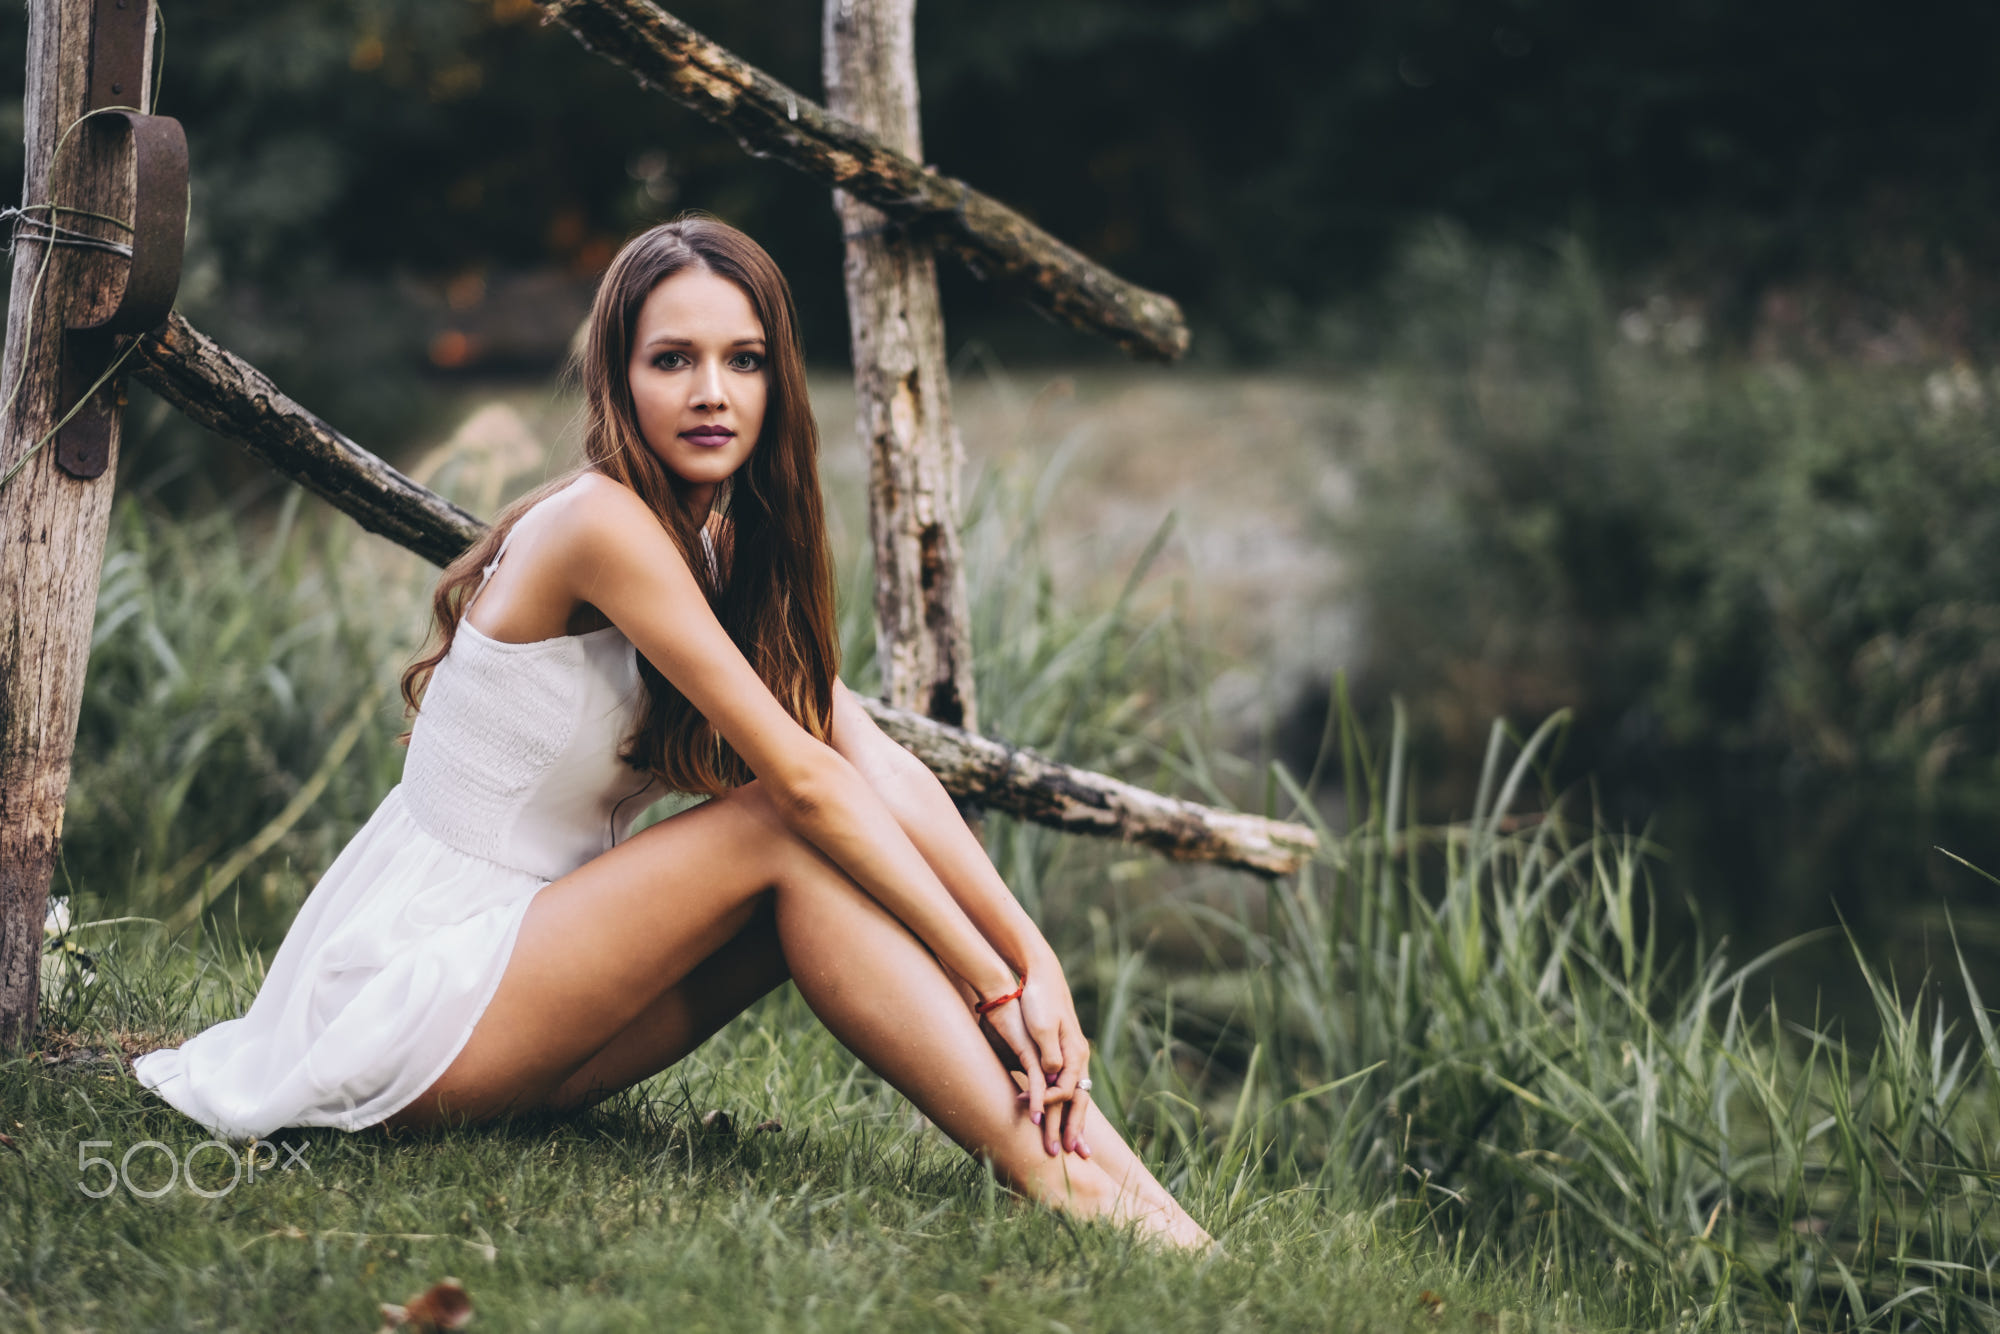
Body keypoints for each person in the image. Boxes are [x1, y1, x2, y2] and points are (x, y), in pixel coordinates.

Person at [133, 216, 1210, 1250]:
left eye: (741, 360)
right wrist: (991, 981)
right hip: (417, 990)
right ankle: (1056, 1179)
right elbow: (803, 782)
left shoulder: (720, 538)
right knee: (785, 831)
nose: (710, 392)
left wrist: (1031, 956)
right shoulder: (602, 523)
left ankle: (1152, 1214)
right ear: (617, 376)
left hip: (539, 995)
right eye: (672, 359)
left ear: (775, 378)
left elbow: (871, 758)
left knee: (831, 850)